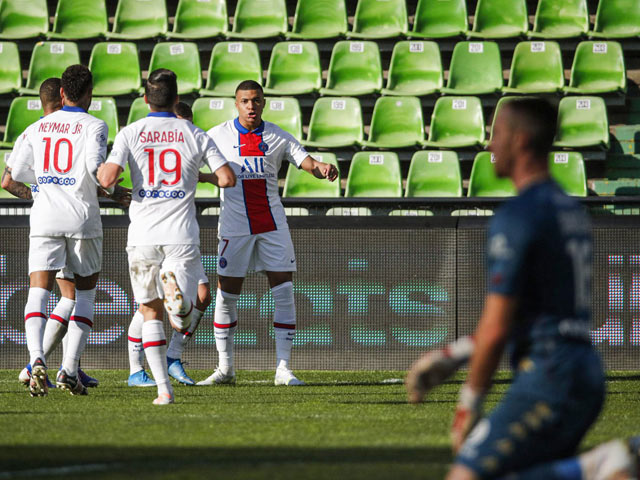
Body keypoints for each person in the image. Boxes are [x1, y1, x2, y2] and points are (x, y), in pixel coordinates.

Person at [408, 97, 635, 480]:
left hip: (549, 373)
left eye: (497, 134)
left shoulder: (518, 216)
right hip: (584, 369)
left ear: (520, 141)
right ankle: (591, 467)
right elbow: (535, 313)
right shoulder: (569, 209)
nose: (489, 145)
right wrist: (454, 354)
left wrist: (468, 406)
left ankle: (595, 466)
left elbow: (497, 327)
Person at [98, 69, 235, 405]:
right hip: (181, 234)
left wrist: (114, 178)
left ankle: (163, 390)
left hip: (143, 233)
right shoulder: (194, 133)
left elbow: (107, 178)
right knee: (183, 310)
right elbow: (228, 178)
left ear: (145, 99)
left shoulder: (131, 132)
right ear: (176, 99)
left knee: (149, 312)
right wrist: (197, 177)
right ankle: (184, 311)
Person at [198, 80, 338, 387]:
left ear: (264, 103)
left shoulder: (277, 136)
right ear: (236, 104)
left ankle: (283, 368)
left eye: (256, 101)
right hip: (234, 227)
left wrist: (323, 167)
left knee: (284, 292)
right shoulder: (216, 135)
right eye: (245, 101)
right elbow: (194, 166)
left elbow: (307, 162)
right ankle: (225, 368)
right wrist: (205, 177)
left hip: (273, 225)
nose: (251, 106)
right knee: (226, 296)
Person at [3, 77, 130, 391]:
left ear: (62, 93)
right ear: (89, 93)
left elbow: (14, 174)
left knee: (39, 290)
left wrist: (47, 184)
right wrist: (114, 191)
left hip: (45, 215)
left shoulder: (36, 128)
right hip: (81, 219)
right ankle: (69, 369)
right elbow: (92, 168)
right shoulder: (94, 125)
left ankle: (36, 358)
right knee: (83, 294)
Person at [126, 100, 213, 387]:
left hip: (180, 233)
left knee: (202, 295)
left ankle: (173, 355)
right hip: (155, 232)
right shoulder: (152, 139)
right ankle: (135, 369)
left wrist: (202, 176)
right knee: (150, 305)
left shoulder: (190, 138)